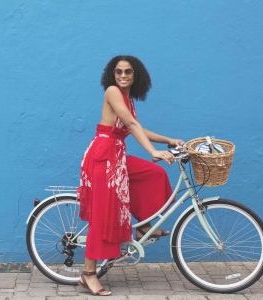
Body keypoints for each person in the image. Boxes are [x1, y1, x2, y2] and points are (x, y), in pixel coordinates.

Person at [76, 55, 184, 296]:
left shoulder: (128, 98)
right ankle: (88, 274)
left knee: (153, 173)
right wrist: (154, 151)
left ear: (136, 75)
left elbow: (136, 125)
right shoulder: (113, 91)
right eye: (118, 71)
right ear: (112, 75)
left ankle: (143, 226)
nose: (122, 75)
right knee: (102, 214)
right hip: (102, 157)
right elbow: (132, 125)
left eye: (128, 72)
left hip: (116, 156)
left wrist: (167, 140)